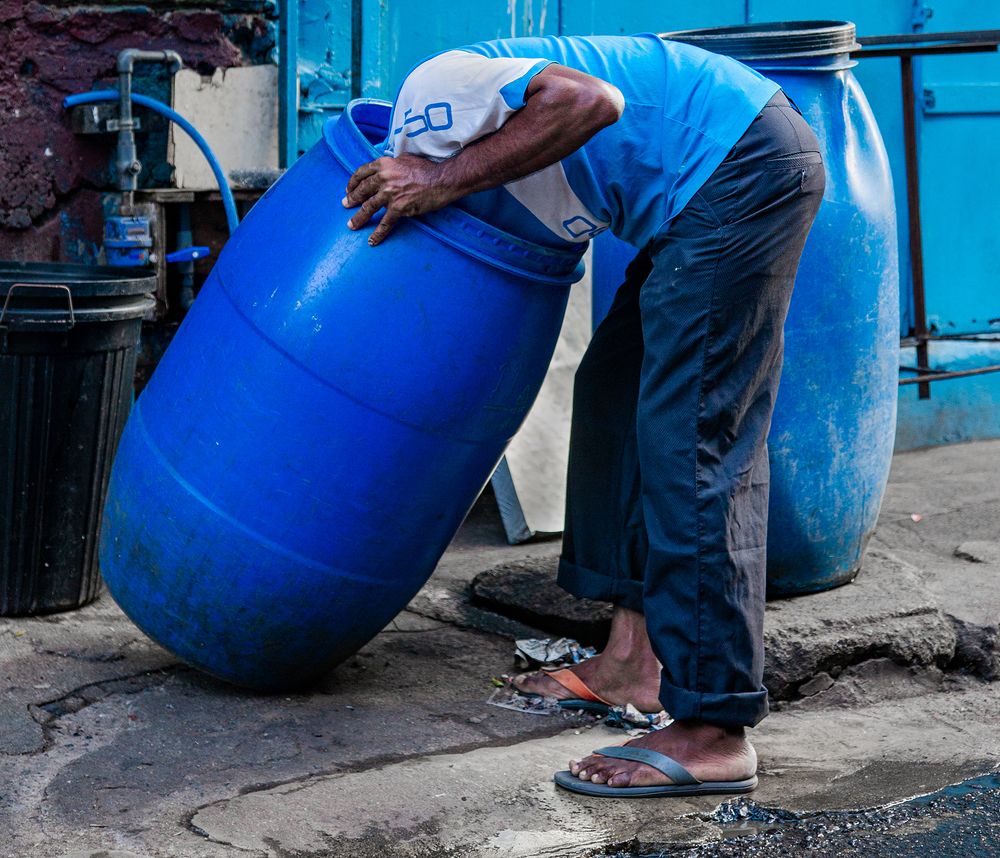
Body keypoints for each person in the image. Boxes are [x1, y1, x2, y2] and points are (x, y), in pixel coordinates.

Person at [342, 33, 825, 798]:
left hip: (742, 165)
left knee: (693, 439)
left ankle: (713, 727)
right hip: (704, 186)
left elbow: (592, 101)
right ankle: (632, 664)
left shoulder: (438, 94)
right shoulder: (490, 139)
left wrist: (436, 179)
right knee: (613, 395)